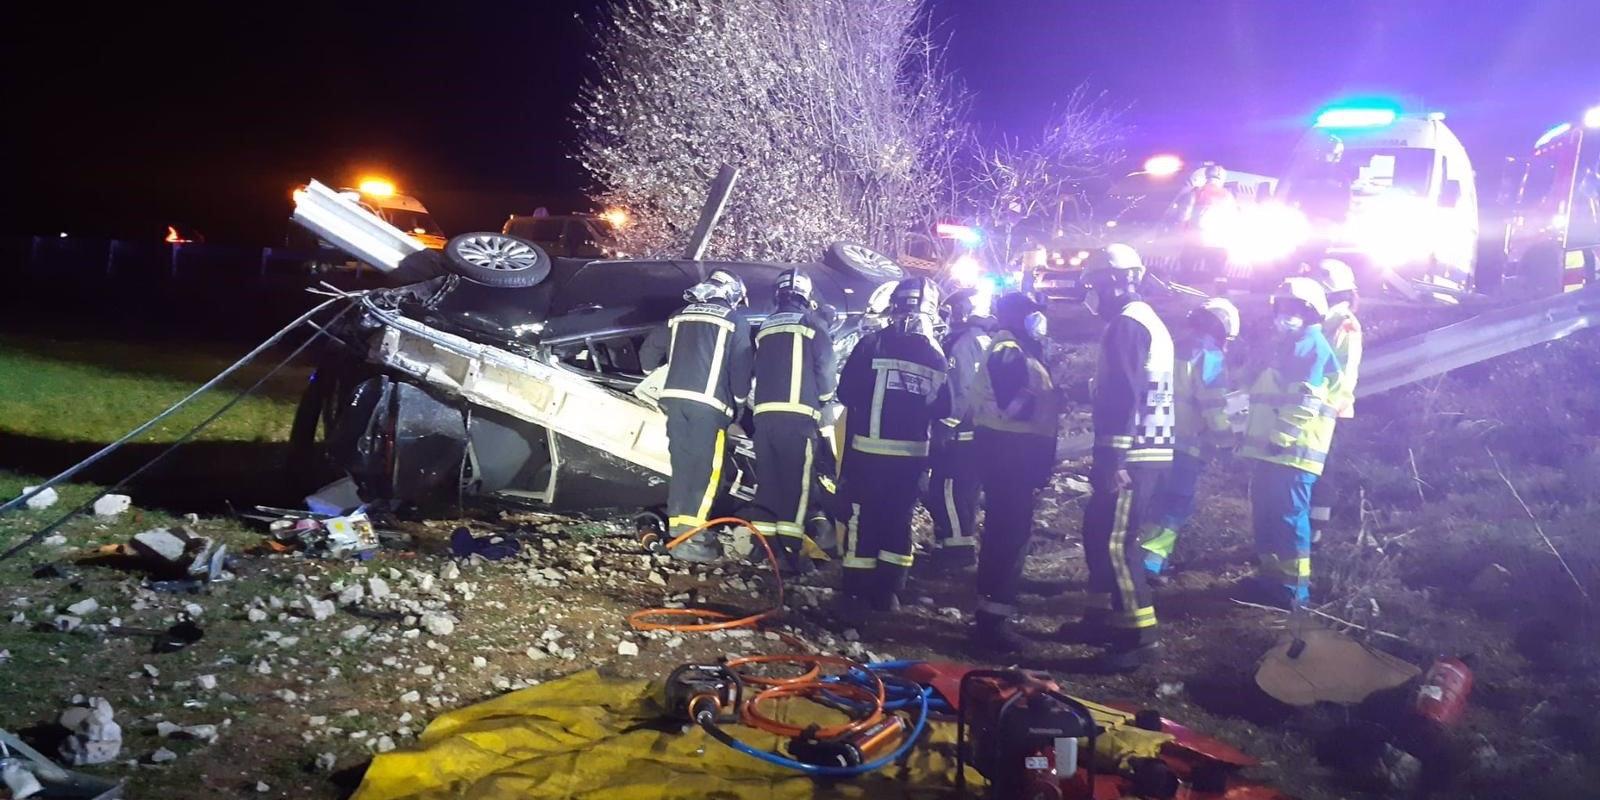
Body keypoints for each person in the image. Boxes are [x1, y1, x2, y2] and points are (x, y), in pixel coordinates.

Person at [1056, 243, 1174, 672]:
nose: (1093, 294)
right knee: (1096, 529)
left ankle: (1139, 637)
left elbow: (1124, 395)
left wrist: (1115, 460)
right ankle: (1099, 617)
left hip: (1134, 453)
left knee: (1116, 543)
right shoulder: (1142, 321)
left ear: (1115, 282)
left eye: (1096, 284)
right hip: (1140, 449)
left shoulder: (1128, 324)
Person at [837, 277, 950, 612]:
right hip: (913, 457)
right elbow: (945, 408)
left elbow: (846, 393)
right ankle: (888, 592)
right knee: (898, 520)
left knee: (864, 518)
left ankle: (856, 592)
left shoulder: (872, 343)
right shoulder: (935, 356)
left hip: (869, 452)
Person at [1238, 277, 1340, 608]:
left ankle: (1295, 591)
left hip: (1292, 452)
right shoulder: (1290, 344)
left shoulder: (1310, 345)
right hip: (1274, 452)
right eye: (1281, 306)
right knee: (1268, 516)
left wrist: (1281, 437)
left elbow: (1305, 401)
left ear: (1311, 312)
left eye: (1293, 307)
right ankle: (1271, 580)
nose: (1284, 313)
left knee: (1287, 518)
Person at [969, 291, 1060, 653]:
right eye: (1031, 314)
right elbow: (1012, 406)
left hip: (1011, 454)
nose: (1037, 320)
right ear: (1015, 317)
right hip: (1009, 455)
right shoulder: (1008, 349)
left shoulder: (1018, 349)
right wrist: (1054, 397)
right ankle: (992, 625)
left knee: (1005, 536)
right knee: (1009, 539)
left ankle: (992, 617)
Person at [657, 270, 755, 562]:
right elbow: (741, 368)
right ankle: (692, 539)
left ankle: (678, 531)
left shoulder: (678, 314)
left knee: (683, 468)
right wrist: (738, 404)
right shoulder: (734, 320)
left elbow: (650, 353)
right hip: (709, 406)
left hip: (673, 402)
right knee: (706, 473)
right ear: (732, 293)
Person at [1139, 298, 1240, 580]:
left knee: (1153, 499)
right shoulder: (1209, 356)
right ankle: (1152, 560)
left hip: (1152, 439)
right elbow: (1213, 406)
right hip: (1186, 445)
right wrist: (1227, 442)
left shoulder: (1170, 345)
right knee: (1175, 504)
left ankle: (1137, 554)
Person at [747, 269, 835, 573]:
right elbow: (826, 371)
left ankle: (762, 548)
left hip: (764, 418)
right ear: (806, 297)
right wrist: (825, 401)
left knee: (768, 484)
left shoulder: (764, 326)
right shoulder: (812, 324)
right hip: (798, 418)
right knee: (797, 487)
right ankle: (791, 553)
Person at [925, 287, 993, 570]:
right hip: (979, 433)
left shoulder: (963, 343)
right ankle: (953, 545)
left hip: (961, 433)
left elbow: (958, 387)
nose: (950, 315)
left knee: (946, 490)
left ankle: (957, 551)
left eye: (954, 309)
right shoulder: (986, 339)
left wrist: (945, 426)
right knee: (965, 493)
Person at [1304, 259, 1362, 542]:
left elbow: (1341, 371)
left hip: (1328, 409)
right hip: (1315, 407)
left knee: (1321, 470)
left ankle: (1315, 533)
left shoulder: (1342, 322)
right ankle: (1308, 528)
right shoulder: (1327, 320)